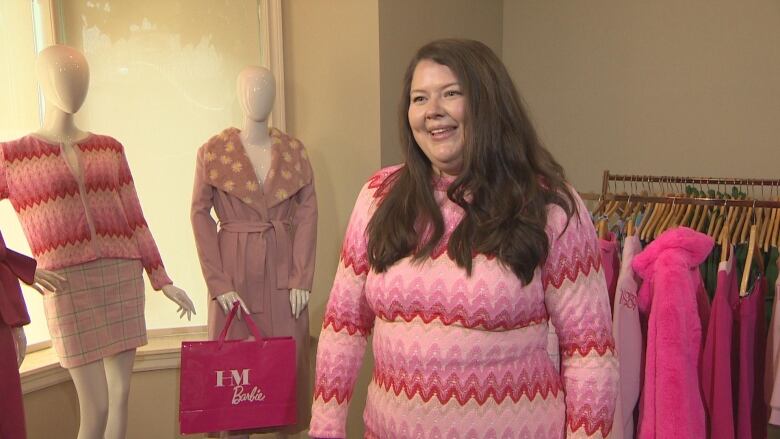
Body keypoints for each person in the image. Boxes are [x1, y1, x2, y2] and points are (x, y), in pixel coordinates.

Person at [309, 39, 618, 438]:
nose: (432, 111)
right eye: (419, 98)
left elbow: (589, 352)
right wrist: (325, 429)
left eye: (451, 94)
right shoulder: (378, 196)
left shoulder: (548, 205)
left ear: (488, 102)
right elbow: (343, 327)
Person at [0, 44, 195, 439]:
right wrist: (19, 266)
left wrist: (161, 277)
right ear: (42, 81)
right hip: (67, 285)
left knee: (121, 395)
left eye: (80, 76)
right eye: (63, 75)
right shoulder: (13, 156)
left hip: (122, 275)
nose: (75, 85)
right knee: (97, 405)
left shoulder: (109, 147)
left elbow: (135, 217)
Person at [191, 66, 317, 437]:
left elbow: (309, 215)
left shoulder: (294, 153)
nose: (257, 95)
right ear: (238, 93)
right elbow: (199, 216)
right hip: (234, 279)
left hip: (283, 277)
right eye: (250, 87)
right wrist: (218, 282)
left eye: (265, 88)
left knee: (284, 380)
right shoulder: (213, 152)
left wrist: (301, 278)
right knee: (234, 382)